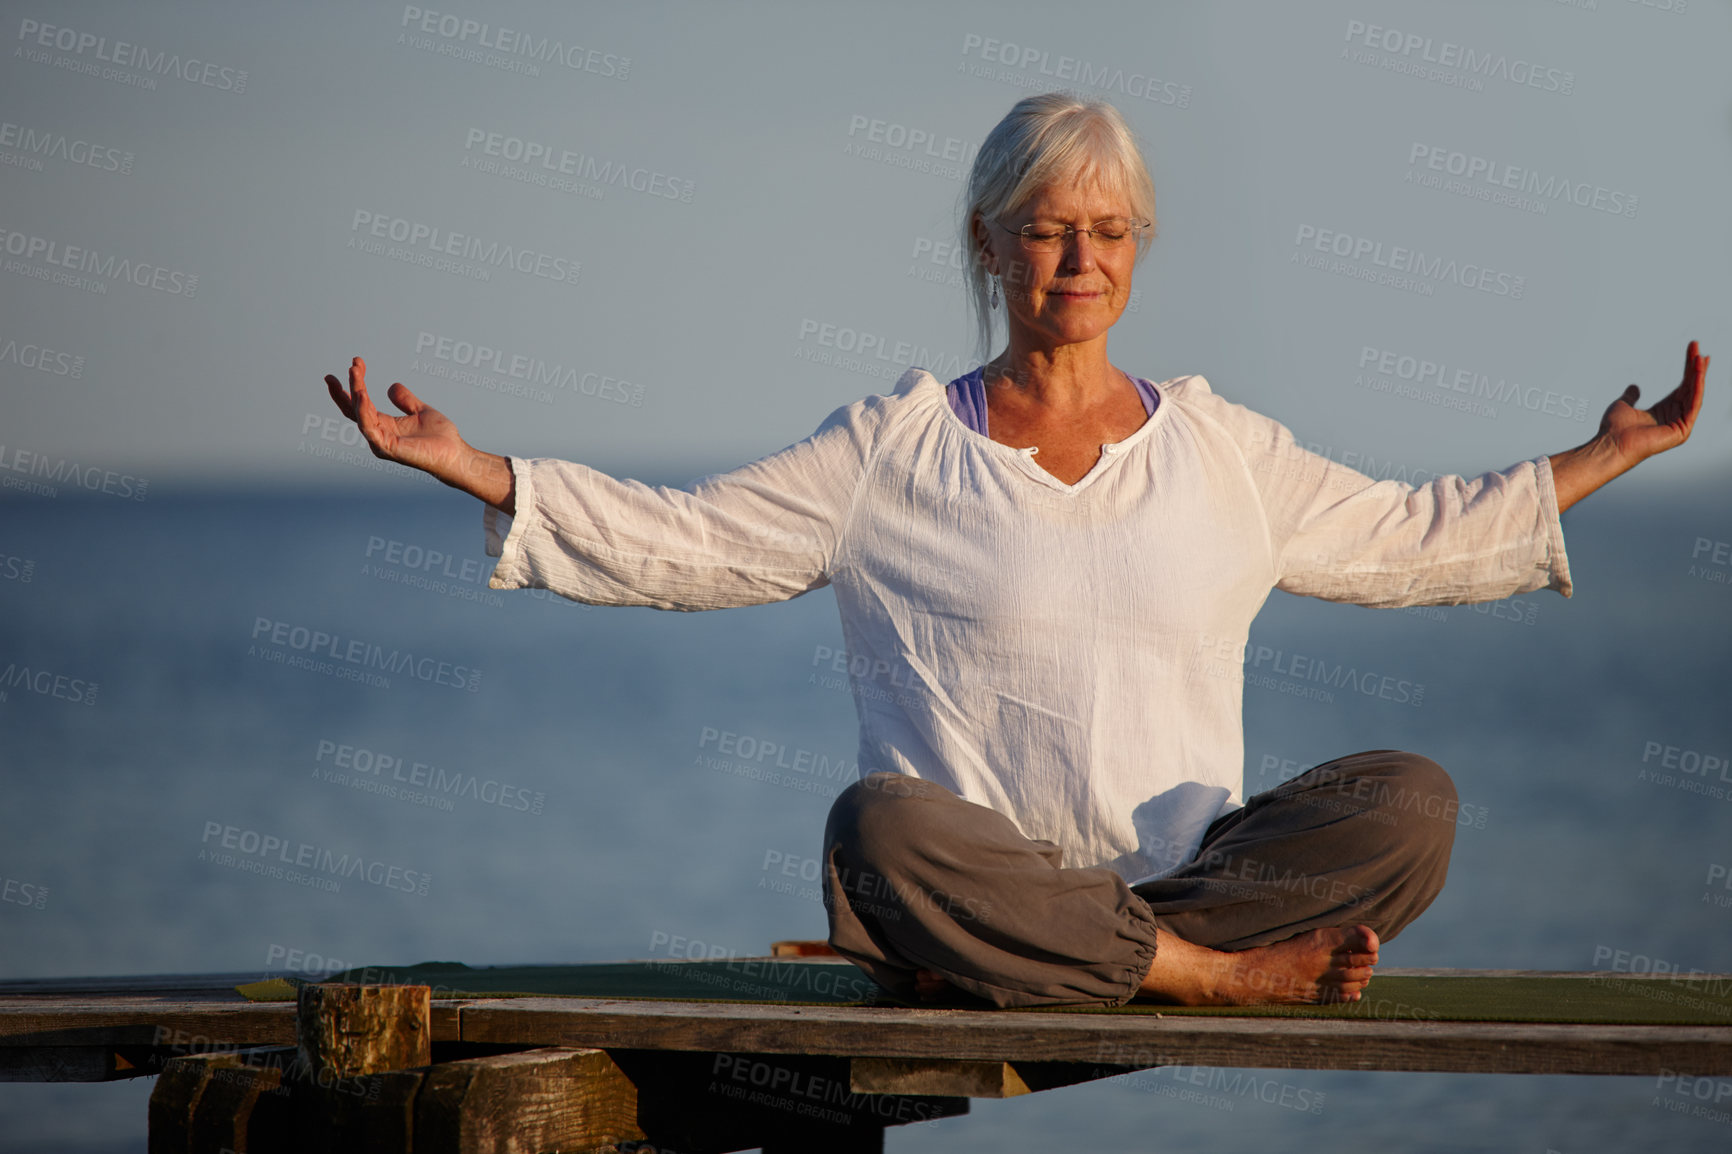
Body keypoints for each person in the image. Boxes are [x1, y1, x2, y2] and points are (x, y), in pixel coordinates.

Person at [324, 92, 1709, 1011]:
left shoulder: (1218, 446)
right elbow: (696, 542)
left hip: (1185, 880)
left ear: (1138, 249)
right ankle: (1199, 980)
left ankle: (1094, 956)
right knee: (877, 829)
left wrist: (1602, 456)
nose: (1080, 260)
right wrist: (479, 468)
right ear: (990, 244)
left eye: (1108, 233)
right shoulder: (894, 447)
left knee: (1413, 800)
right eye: (1049, 230)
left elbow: (1411, 537)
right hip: (982, 882)